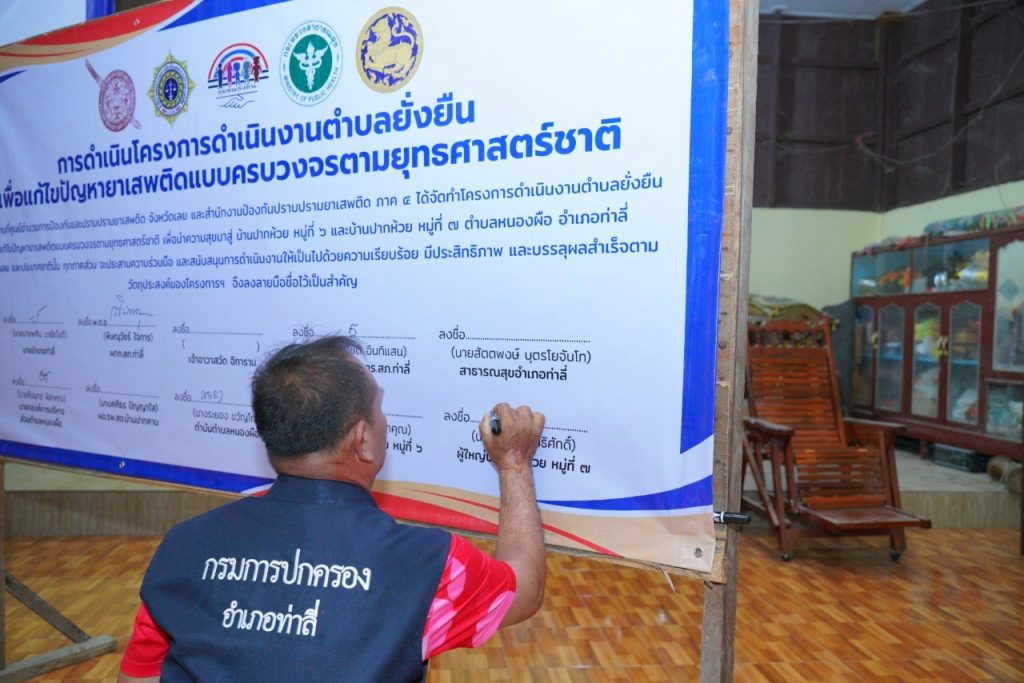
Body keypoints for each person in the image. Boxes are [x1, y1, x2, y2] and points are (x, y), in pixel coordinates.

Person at [117, 336, 546, 682]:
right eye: (379, 410)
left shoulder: (182, 546)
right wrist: (513, 463)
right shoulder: (427, 565)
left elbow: (138, 677)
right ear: (362, 440)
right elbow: (523, 589)